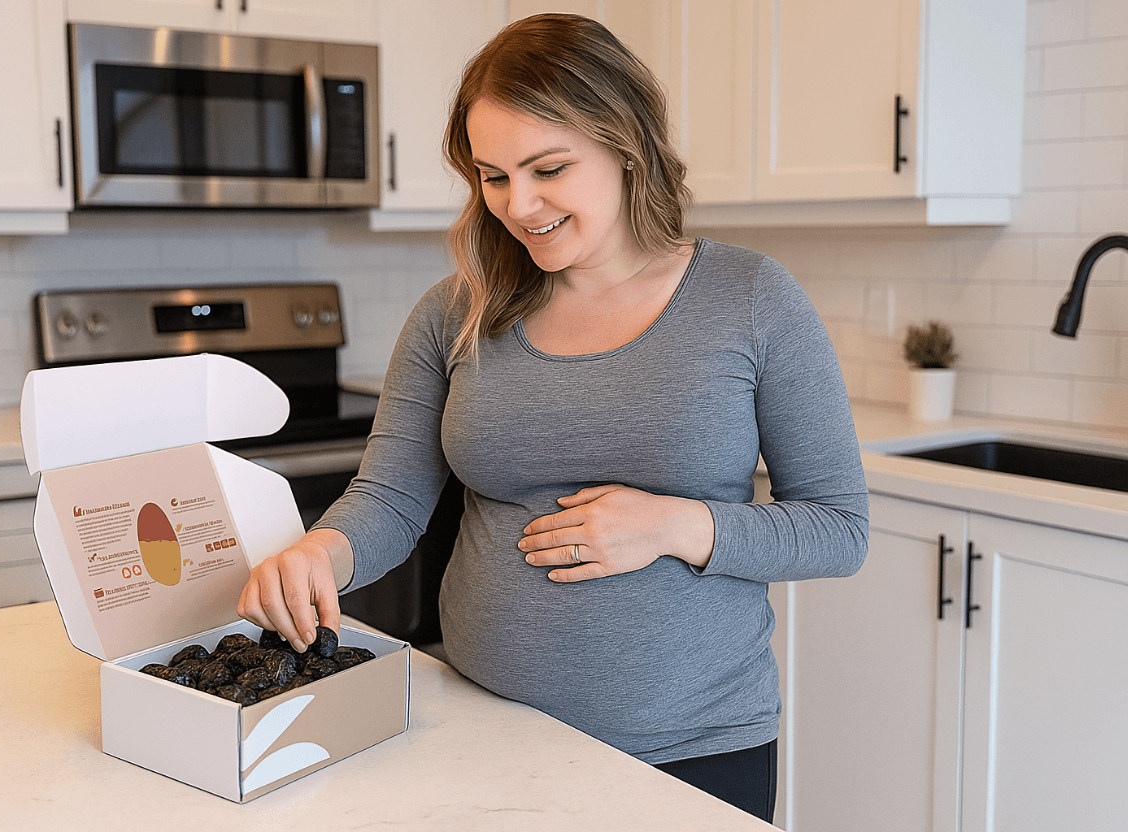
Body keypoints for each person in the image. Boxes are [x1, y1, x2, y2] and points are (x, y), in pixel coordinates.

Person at [238, 13, 868, 823]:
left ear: (626, 144)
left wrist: (673, 525)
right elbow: (390, 499)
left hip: (694, 751)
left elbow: (838, 528)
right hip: (483, 731)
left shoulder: (751, 298)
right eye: (493, 177)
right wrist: (321, 552)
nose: (519, 205)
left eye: (548, 169)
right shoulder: (454, 313)